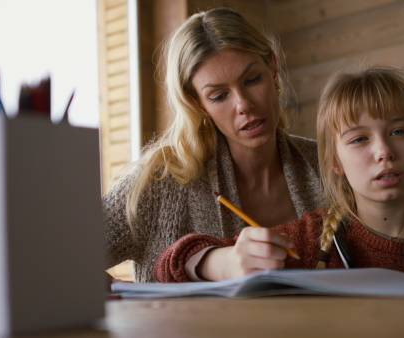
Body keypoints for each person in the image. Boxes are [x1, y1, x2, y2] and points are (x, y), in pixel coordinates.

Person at [153, 65, 404, 283]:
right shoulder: (310, 241)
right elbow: (169, 264)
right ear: (334, 161)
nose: (383, 151)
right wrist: (218, 263)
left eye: (398, 131)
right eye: (359, 139)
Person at [103, 8, 323, 283]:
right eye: (219, 96)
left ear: (273, 69)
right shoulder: (158, 184)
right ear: (198, 104)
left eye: (252, 80)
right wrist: (127, 305)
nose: (243, 104)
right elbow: (54, 256)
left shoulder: (327, 164)